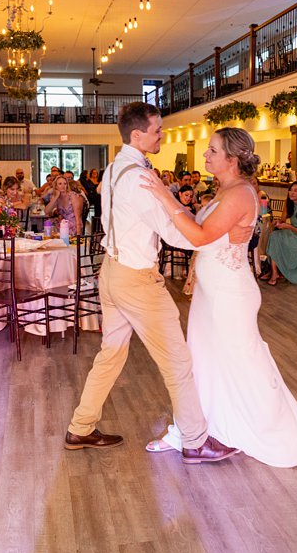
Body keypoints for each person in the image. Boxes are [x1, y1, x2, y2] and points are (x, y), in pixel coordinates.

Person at [65, 102, 244, 465]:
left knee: (110, 355)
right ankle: (195, 440)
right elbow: (175, 235)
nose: (162, 135)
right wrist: (217, 237)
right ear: (137, 135)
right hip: (137, 279)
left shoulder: (114, 169)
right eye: (157, 130)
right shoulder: (139, 178)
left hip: (111, 271)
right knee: (177, 361)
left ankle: (80, 427)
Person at [140, 127, 297, 467]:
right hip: (211, 293)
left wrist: (164, 196)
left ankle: (265, 430)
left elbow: (201, 236)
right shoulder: (224, 190)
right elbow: (196, 225)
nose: (205, 155)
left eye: (212, 150)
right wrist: (167, 207)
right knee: (203, 362)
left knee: (242, 364)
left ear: (233, 159)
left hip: (230, 295)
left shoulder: (240, 193)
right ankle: (196, 431)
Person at [264, 181, 297, 285]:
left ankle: (278, 271)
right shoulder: (288, 203)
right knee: (274, 236)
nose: (292, 193)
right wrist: (278, 222)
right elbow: (283, 219)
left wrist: (288, 226)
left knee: (277, 238)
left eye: (295, 190)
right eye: (290, 190)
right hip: (293, 232)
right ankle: (274, 272)